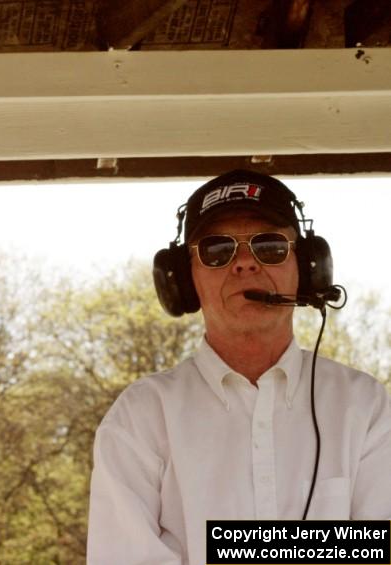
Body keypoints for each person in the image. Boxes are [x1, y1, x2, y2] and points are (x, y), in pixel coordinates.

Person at [87, 169, 391, 564]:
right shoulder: (141, 416)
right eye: (217, 250)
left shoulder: (364, 406)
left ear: (306, 266)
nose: (245, 263)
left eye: (269, 246)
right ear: (183, 278)